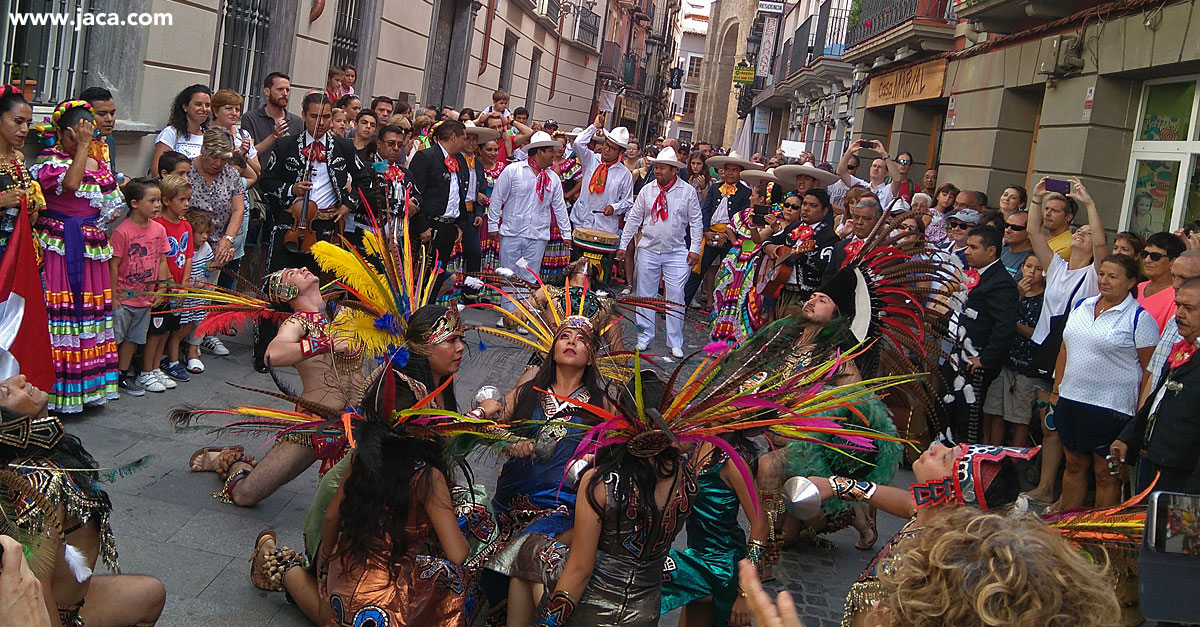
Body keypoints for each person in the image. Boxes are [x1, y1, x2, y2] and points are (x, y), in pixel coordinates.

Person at [184, 267, 364, 506]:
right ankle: (231, 461)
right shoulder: (296, 323)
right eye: (292, 274)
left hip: (359, 424)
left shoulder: (346, 313)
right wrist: (325, 343)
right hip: (315, 426)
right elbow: (273, 354)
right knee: (245, 495)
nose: (302, 268)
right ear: (285, 292)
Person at [0, 374, 167, 626]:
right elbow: (36, 586)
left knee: (151, 593)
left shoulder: (40, 461)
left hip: (73, 603)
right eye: (6, 392)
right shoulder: (36, 483)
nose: (20, 379)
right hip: (46, 613)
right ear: (8, 428)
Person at [29, 100, 122, 412]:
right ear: (64, 134)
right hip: (59, 245)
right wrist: (83, 148)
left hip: (89, 247)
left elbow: (111, 204)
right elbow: (69, 184)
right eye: (76, 137)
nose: (82, 141)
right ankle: (54, 393)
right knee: (59, 314)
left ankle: (87, 390)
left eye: (87, 136)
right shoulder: (49, 160)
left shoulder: (100, 164)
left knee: (90, 315)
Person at [1022, 176, 1107, 505]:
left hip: (1072, 356)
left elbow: (1101, 247)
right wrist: (1036, 199)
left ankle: (1066, 496)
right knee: (1047, 425)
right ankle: (1044, 487)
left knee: (1066, 426)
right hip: (1046, 350)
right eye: (1079, 231)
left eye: (1086, 232)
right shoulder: (1056, 266)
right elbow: (1033, 233)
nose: (1082, 235)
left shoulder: (1095, 275)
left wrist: (1089, 203)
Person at [1052, 253, 1157, 509]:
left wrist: (1139, 415)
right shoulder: (1082, 306)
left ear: (1131, 281)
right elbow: (1065, 348)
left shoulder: (1139, 319)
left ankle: (1099, 538)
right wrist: (1057, 389)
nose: (1104, 281)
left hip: (1112, 408)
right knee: (1073, 466)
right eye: (1102, 274)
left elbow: (1149, 370)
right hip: (1072, 399)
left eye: (1113, 276)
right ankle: (1066, 530)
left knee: (1105, 475)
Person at [1113, 276, 1200, 494]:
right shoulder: (1182, 347)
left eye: (1189, 308)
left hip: (1185, 474)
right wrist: (1127, 437)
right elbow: (1158, 396)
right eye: (1178, 305)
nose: (1179, 314)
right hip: (1153, 458)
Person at [616, 147, 701, 357]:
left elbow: (696, 222)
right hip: (648, 249)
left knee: (676, 295)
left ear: (674, 170)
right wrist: (622, 244)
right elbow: (634, 219)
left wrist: (695, 249)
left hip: (677, 251)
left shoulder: (687, 191)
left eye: (662, 168)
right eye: (656, 167)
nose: (657, 171)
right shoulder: (647, 190)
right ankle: (644, 337)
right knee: (645, 295)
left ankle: (675, 341)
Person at [945, 224, 1018, 442]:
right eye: (967, 246)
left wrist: (985, 359)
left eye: (973, 247)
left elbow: (1005, 326)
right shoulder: (974, 275)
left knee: (969, 421)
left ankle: (964, 469)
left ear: (991, 250)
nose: (966, 252)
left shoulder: (1001, 283)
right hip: (956, 354)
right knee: (951, 414)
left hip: (974, 361)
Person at [487, 130, 572, 317]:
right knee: (509, 274)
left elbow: (559, 208)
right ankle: (509, 315)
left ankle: (523, 316)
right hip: (512, 233)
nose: (554, 154)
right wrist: (492, 225)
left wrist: (567, 234)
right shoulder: (513, 170)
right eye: (550, 150)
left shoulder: (553, 179)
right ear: (539, 152)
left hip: (537, 236)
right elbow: (497, 198)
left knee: (529, 276)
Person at [109, 178, 171, 395]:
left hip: (145, 298)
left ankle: (122, 376)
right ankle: (107, 376)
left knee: (133, 338)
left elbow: (162, 260)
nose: (157, 205)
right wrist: (114, 296)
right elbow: (114, 265)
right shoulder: (122, 232)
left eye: (158, 201)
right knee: (116, 337)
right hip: (124, 297)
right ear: (134, 203)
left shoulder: (159, 230)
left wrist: (161, 288)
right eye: (152, 200)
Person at [982, 252, 1043, 447]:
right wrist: (1016, 296)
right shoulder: (1012, 291)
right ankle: (991, 451)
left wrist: (1011, 323)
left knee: (1019, 418)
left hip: (1025, 364)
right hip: (1003, 358)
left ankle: (1014, 463)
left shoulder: (1046, 299)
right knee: (994, 410)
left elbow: (1036, 334)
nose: (1031, 272)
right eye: (1028, 266)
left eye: (1038, 269)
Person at [686, 151, 761, 307]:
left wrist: (727, 235)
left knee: (728, 274)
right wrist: (706, 231)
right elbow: (706, 211)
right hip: (710, 234)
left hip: (730, 238)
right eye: (727, 169)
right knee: (697, 271)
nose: (730, 173)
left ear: (740, 172)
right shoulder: (715, 188)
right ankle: (682, 304)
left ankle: (722, 309)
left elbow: (742, 218)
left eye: (734, 170)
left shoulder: (745, 192)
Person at [409, 119, 472, 283]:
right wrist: (422, 226)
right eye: (463, 138)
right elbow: (416, 193)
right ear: (453, 137)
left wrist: (460, 224)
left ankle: (430, 306)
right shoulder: (426, 157)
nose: (465, 142)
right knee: (421, 276)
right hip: (430, 227)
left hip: (448, 228)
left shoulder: (459, 160)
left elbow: (458, 194)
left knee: (437, 276)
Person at [145, 174, 194, 384]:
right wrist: (165, 285)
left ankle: (157, 367)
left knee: (168, 329)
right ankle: (147, 369)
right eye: (181, 200)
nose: (187, 204)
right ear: (166, 200)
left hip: (178, 289)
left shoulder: (186, 226)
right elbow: (157, 259)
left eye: (188, 200)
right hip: (162, 288)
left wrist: (184, 285)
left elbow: (189, 256)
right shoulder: (157, 225)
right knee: (155, 331)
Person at [762, 188, 840, 312]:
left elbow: (824, 268)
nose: (806, 209)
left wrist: (803, 257)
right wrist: (769, 247)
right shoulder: (794, 226)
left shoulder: (828, 237)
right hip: (782, 289)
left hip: (805, 296)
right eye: (804, 204)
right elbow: (769, 240)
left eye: (812, 206)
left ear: (825, 211)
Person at [0, 86, 44, 262]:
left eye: (28, 123)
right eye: (18, 122)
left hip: (21, 248)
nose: (25, 129)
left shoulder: (18, 158)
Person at [571, 114, 634, 236]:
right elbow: (578, 143)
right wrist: (594, 127)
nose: (607, 150)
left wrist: (614, 208)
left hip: (605, 227)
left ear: (620, 152)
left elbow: (628, 202)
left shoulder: (624, 174)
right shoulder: (591, 159)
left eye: (612, 148)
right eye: (606, 145)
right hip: (582, 221)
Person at [181, 209, 214, 374]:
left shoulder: (206, 247)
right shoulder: (184, 247)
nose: (205, 236)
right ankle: (175, 351)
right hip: (184, 295)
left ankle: (193, 350)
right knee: (183, 325)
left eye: (207, 232)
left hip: (198, 294)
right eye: (201, 233)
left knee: (199, 322)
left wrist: (220, 262)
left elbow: (209, 266)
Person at [150, 84, 211, 173]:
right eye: (198, 104)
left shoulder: (209, 136)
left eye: (207, 105)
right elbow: (156, 171)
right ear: (185, 107)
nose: (204, 109)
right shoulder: (170, 133)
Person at [241, 72, 304, 159]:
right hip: (259, 171)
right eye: (280, 89)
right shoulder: (250, 118)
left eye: (287, 90)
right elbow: (249, 154)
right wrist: (274, 136)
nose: (285, 93)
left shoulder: (297, 122)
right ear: (267, 91)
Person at [824, 196, 883, 281]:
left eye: (866, 219)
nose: (859, 222)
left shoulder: (885, 250)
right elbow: (827, 278)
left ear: (878, 222)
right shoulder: (840, 246)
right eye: (856, 217)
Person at [1137, 231, 1186, 332]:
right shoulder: (1138, 287)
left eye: (1155, 256)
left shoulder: (1177, 297)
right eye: (1144, 254)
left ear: (1173, 262)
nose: (1147, 260)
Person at [209, 89, 261, 181]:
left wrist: (243, 157)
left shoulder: (243, 135)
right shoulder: (205, 134)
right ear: (216, 111)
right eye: (229, 109)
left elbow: (258, 171)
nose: (234, 113)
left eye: (237, 110)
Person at [833, 140, 900, 209]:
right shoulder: (861, 185)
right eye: (874, 166)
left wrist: (884, 154)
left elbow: (897, 179)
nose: (876, 168)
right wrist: (849, 151)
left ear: (887, 173)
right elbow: (840, 172)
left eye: (879, 167)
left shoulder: (887, 190)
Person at [78, 86, 121, 183]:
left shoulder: (108, 138)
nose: (109, 119)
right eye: (102, 114)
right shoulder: (75, 141)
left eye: (112, 113)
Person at [1041, 190, 1077, 260]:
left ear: (1068, 217)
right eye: (1046, 209)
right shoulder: (1045, 238)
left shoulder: (1067, 246)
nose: (1047, 213)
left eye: (1054, 210)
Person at [999, 210, 1032, 280]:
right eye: (1006, 225)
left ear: (1029, 232)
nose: (1008, 230)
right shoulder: (1000, 251)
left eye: (1015, 227)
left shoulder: (1032, 259)